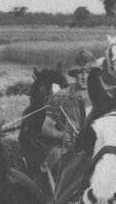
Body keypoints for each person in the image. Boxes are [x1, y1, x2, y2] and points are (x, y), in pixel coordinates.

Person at [38, 50, 94, 192]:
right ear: (74, 74)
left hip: (95, 148)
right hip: (68, 149)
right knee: (47, 168)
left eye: (88, 72)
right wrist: (61, 135)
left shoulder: (103, 96)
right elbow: (46, 128)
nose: (84, 77)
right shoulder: (61, 97)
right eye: (80, 72)